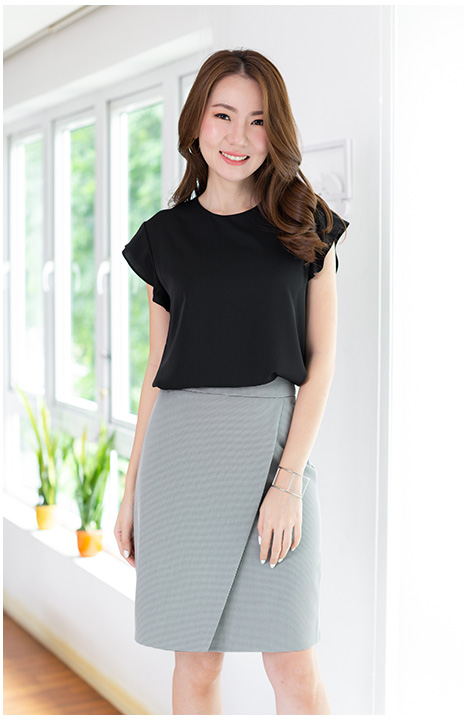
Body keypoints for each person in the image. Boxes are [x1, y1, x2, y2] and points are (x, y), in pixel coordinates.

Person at [114, 48, 349, 715]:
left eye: (257, 120)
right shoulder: (164, 238)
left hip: (273, 452)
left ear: (276, 132)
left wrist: (287, 482)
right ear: (197, 122)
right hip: (181, 464)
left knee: (294, 665)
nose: (238, 136)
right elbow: (156, 372)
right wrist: (130, 493)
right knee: (196, 666)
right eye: (223, 115)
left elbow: (323, 362)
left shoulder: (305, 221)